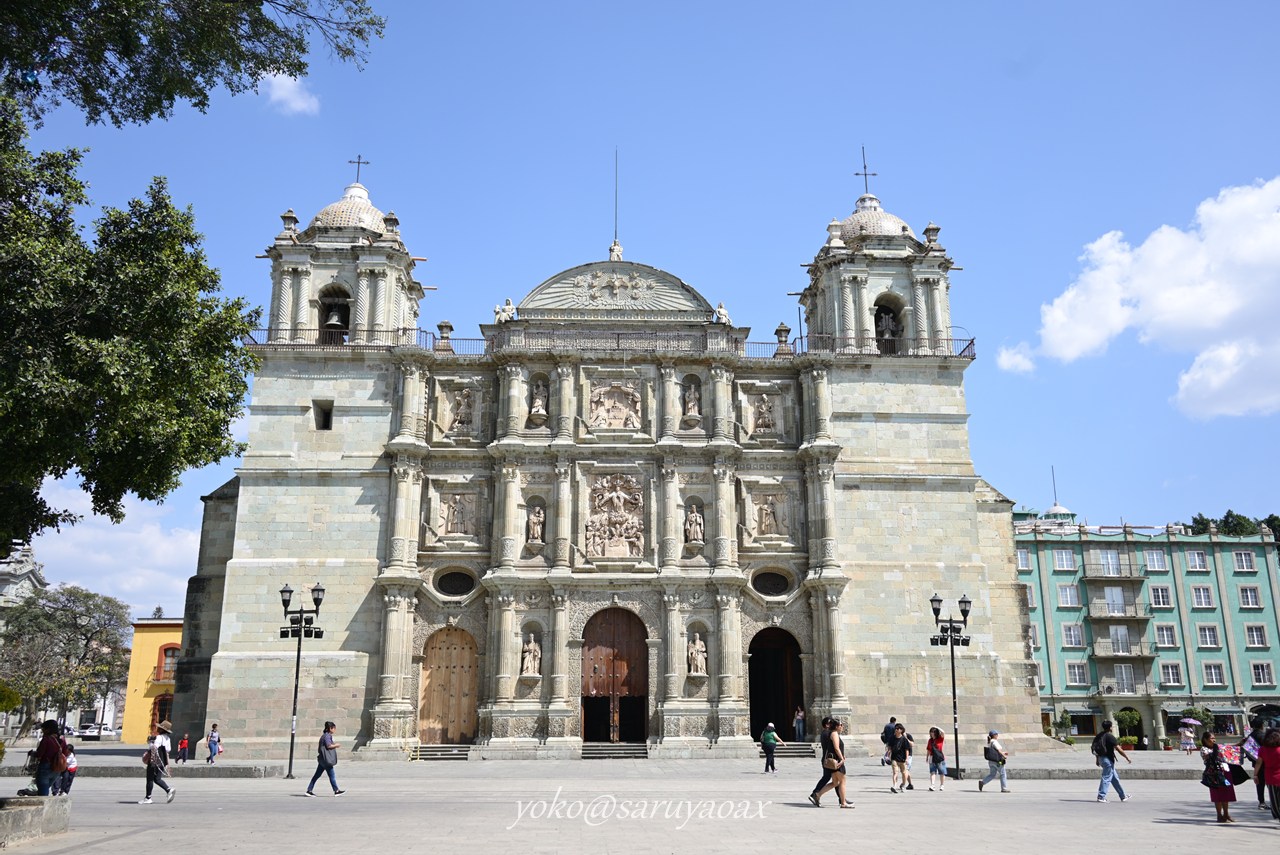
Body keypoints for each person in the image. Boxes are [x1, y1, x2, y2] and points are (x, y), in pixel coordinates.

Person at [812, 719, 853, 808]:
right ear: (836, 726)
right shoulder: (834, 734)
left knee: (835, 783)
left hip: (833, 761)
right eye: (841, 725)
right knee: (842, 782)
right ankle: (843, 803)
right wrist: (842, 758)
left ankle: (817, 795)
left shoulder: (832, 733)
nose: (842, 727)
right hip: (837, 761)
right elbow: (836, 748)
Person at [1093, 719, 1131, 803]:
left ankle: (1123, 796)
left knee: (1114, 778)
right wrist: (1126, 757)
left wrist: (1097, 759)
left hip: (1102, 759)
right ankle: (1101, 796)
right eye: (1112, 726)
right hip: (1108, 760)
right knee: (1106, 778)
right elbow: (1118, 749)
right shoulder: (1110, 736)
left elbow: (1096, 748)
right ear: (1110, 727)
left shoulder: (1099, 735)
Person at [1201, 731, 1236, 823]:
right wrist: (1216, 750)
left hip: (1224, 772)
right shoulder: (1204, 749)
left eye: (1214, 738)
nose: (1214, 740)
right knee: (1217, 795)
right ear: (1205, 740)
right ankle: (1219, 815)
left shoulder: (1219, 747)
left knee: (1226, 794)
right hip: (1214, 775)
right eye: (1211, 738)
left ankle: (1226, 814)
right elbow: (1209, 757)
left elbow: (1229, 751)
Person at [306, 721, 346, 796]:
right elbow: (328, 746)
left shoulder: (324, 736)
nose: (334, 730)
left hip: (322, 760)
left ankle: (309, 790)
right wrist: (336, 745)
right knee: (332, 776)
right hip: (327, 760)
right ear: (330, 728)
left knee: (316, 776)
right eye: (334, 728)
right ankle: (336, 790)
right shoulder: (327, 736)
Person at [140, 720, 175, 804]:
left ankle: (148, 798)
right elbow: (168, 750)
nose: (158, 728)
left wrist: (150, 743)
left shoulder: (159, 737)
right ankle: (168, 790)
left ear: (162, 729)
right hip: (162, 761)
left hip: (154, 761)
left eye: (159, 727)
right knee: (157, 779)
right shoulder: (168, 738)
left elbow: (154, 748)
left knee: (150, 779)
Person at [1240, 717, 1268, 811]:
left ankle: (1261, 802)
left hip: (1255, 762)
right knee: (1271, 784)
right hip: (1266, 763)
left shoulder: (1250, 735)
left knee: (1259, 783)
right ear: (1261, 725)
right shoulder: (1263, 735)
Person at [34, 720, 64, 796]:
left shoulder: (46, 740)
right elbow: (66, 752)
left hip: (45, 767)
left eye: (43, 729)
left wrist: (32, 753)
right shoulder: (61, 740)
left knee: (43, 794)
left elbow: (39, 754)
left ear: (48, 729)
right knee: (46, 788)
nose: (42, 731)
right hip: (57, 769)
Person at [808, 717, 834, 804]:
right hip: (830, 759)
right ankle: (815, 793)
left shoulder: (824, 733)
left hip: (826, 759)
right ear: (827, 725)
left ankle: (842, 799)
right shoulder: (828, 734)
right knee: (836, 779)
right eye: (831, 723)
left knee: (833, 779)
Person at [1257, 728, 1280, 821]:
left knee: (1274, 799)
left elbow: (1258, 763)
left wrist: (1255, 775)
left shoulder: (1262, 749)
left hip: (1270, 777)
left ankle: (1278, 816)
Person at [978, 729, 1010, 793]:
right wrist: (1003, 755)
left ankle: (982, 782)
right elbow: (998, 750)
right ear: (994, 735)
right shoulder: (994, 742)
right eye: (996, 734)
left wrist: (1003, 753)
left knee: (992, 774)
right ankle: (1004, 788)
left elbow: (994, 752)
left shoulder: (989, 742)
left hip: (991, 761)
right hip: (997, 761)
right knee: (1003, 774)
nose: (997, 735)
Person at [887, 723, 912, 793]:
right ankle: (894, 785)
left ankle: (903, 785)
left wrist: (907, 758)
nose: (896, 730)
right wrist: (889, 752)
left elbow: (907, 749)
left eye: (898, 729)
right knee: (895, 772)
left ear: (901, 730)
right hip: (894, 758)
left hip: (902, 759)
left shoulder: (904, 739)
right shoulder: (892, 738)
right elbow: (890, 747)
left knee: (904, 773)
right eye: (895, 728)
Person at [926, 727, 947, 791]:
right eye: (931, 732)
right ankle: (932, 785)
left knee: (942, 772)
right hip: (932, 757)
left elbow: (943, 732)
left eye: (933, 732)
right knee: (932, 772)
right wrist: (927, 757)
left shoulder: (940, 739)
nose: (932, 733)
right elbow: (928, 749)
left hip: (940, 758)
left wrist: (937, 727)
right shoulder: (930, 740)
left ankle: (942, 785)